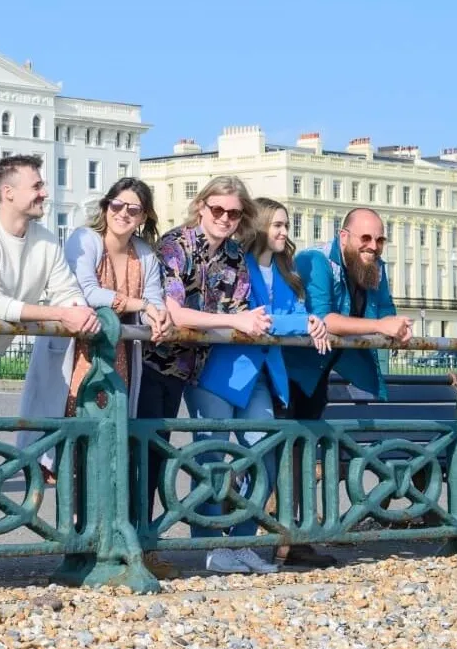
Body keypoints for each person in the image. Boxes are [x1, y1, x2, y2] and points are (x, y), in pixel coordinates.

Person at [0, 154, 94, 587]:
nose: (45, 192)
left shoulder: (45, 240)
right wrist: (61, 312)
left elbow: (68, 291)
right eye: (37, 186)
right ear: (8, 193)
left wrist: (82, 312)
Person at [142, 176, 271, 579]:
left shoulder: (236, 257)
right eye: (218, 209)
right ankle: (141, 548)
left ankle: (223, 544)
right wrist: (235, 320)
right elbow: (177, 313)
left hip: (200, 367)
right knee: (147, 454)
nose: (225, 218)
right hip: (154, 364)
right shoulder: (174, 246)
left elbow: (242, 316)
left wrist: (238, 321)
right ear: (201, 207)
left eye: (234, 212)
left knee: (209, 453)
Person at [191, 198, 329, 574]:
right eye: (278, 225)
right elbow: (262, 320)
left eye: (287, 226)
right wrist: (303, 323)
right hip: (220, 375)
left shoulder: (281, 273)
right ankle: (207, 546)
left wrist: (312, 321)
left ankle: (245, 540)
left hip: (262, 379)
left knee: (264, 458)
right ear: (261, 227)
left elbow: (291, 315)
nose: (284, 232)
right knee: (212, 460)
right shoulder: (240, 265)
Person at [277, 206, 412, 568]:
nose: (373, 245)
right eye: (366, 238)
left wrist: (397, 326)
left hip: (319, 372)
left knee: (304, 453)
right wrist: (383, 326)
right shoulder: (314, 261)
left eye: (380, 239)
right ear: (344, 237)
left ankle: (298, 541)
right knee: (284, 451)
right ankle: (273, 530)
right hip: (287, 371)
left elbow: (386, 313)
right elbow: (323, 318)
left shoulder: (375, 269)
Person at [18, 178, 173, 478]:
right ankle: (72, 520)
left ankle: (93, 518)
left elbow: (154, 301)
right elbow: (85, 291)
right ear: (105, 207)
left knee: (106, 447)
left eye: (133, 209)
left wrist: (159, 316)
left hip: (119, 360)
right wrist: (140, 305)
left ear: (143, 217)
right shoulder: (85, 238)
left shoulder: (144, 255)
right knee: (67, 439)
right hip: (76, 355)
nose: (123, 214)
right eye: (116, 205)